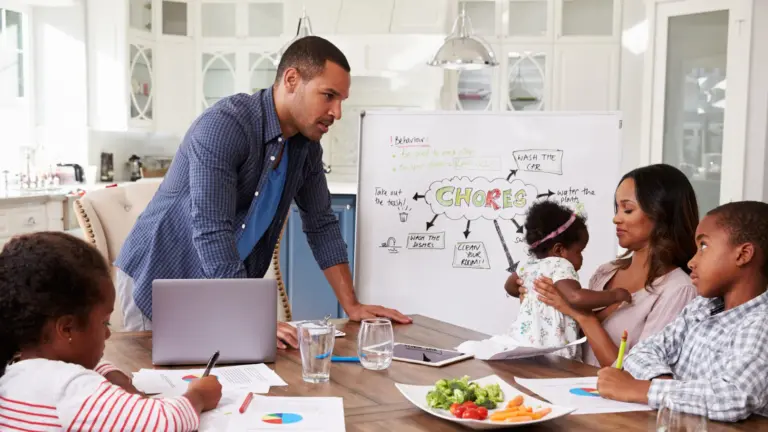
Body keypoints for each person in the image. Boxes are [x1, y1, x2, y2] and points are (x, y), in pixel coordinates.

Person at [115, 36, 411, 342]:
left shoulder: (305, 148)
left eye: (341, 101)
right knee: (161, 384)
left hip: (221, 285)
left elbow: (321, 224)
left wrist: (353, 306)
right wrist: (249, 317)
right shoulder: (225, 125)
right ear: (292, 79)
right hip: (163, 274)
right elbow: (212, 228)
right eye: (328, 96)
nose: (337, 112)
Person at [0, 232, 222, 430]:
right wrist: (199, 395)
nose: (107, 334)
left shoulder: (14, 370)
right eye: (105, 323)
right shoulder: (73, 389)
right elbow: (165, 421)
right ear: (67, 328)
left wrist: (109, 373)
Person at [505, 164, 699, 367]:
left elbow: (635, 377)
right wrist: (539, 301)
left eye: (628, 209)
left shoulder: (678, 291)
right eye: (617, 209)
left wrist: (580, 313)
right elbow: (572, 339)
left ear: (662, 214)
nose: (616, 218)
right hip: (566, 388)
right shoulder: (605, 272)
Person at [597, 201, 768, 422]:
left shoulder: (761, 323)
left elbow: (733, 397)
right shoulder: (700, 308)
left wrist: (642, 390)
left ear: (743, 254)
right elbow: (642, 352)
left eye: (704, 246)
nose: (692, 261)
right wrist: (665, 386)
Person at [508, 201, 631, 359]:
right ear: (559, 250)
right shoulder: (561, 264)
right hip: (553, 347)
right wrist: (614, 295)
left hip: (523, 343)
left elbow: (509, 286)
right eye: (579, 251)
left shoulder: (528, 265)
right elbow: (576, 297)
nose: (581, 258)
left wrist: (523, 289)